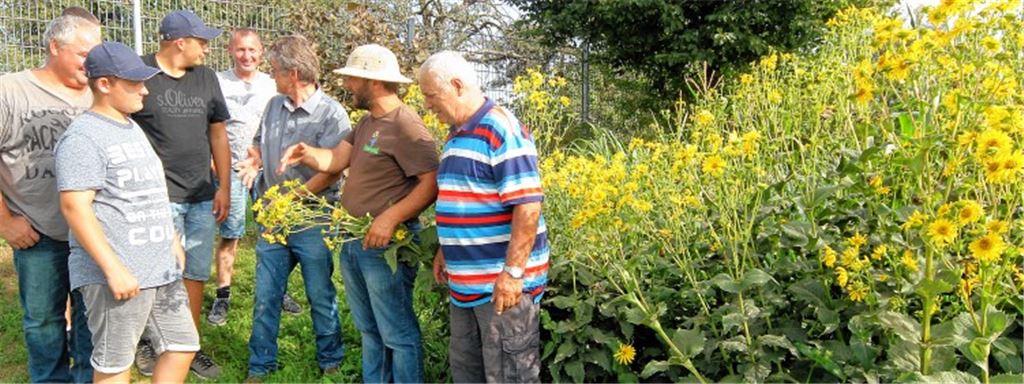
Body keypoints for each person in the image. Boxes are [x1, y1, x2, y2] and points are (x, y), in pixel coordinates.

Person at [278, 43, 439, 383]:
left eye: (353, 79)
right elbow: (335, 161)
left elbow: (431, 183)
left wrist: (391, 217)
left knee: (397, 332)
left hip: (386, 246)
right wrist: (307, 154)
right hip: (354, 238)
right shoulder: (368, 122)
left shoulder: (407, 126)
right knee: (369, 330)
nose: (348, 85)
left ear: (373, 82)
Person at [55, 41, 199, 384]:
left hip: (159, 267)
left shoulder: (130, 126)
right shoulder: (83, 137)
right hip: (119, 275)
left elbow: (146, 190)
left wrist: (171, 240)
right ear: (104, 84)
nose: (145, 90)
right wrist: (113, 268)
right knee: (115, 364)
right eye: (134, 83)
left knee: (182, 346)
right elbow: (74, 206)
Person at [420, 51, 548, 383]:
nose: (427, 105)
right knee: (468, 371)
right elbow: (464, 198)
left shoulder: (500, 128)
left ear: (457, 85)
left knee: (509, 376)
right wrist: (446, 250)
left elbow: (528, 206)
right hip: (465, 286)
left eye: (431, 96)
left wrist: (513, 273)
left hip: (501, 289)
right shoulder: (457, 133)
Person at [240, 35, 348, 382]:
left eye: (275, 71)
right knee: (266, 295)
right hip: (273, 222)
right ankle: (260, 365)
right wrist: (253, 162)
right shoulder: (274, 105)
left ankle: (330, 359)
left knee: (320, 294)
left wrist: (290, 198)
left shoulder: (331, 113)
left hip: (313, 221)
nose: (271, 76)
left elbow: (332, 169)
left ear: (295, 73)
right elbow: (258, 143)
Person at [130, 9, 230, 379]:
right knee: (155, 274)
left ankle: (188, 347)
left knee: (195, 274)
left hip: (201, 195)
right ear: (179, 42)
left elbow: (218, 133)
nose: (206, 48)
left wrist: (224, 186)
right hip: (156, 198)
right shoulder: (141, 75)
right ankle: (147, 342)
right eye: (201, 41)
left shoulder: (206, 78)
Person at [0, 14, 100, 383]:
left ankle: (88, 378)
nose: (91, 63)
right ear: (55, 47)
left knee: (93, 318)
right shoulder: (10, 91)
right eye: (84, 54)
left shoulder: (99, 91)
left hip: (93, 232)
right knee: (42, 322)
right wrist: (5, 221)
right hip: (38, 232)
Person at [209, 28, 302, 327]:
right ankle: (222, 295)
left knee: (274, 232)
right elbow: (209, 126)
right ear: (230, 51)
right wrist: (216, 164)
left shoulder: (273, 84)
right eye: (240, 50)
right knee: (230, 234)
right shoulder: (218, 82)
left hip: (267, 171)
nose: (246, 56)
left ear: (261, 52)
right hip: (231, 170)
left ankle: (278, 290)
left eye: (252, 50)